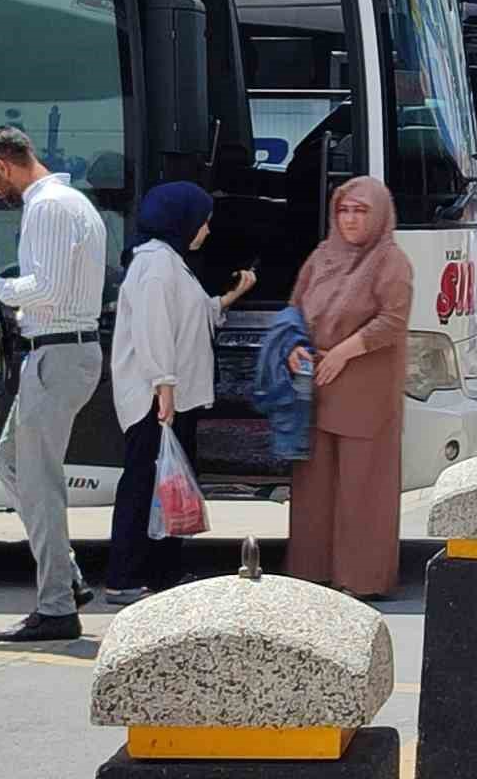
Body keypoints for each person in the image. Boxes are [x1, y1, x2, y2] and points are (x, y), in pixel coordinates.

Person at [0, 127, 107, 643]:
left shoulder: (45, 208)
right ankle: (64, 578)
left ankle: (56, 607)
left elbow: (42, 287)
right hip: (65, 352)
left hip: (57, 354)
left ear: (4, 165)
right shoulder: (75, 204)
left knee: (41, 486)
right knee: (10, 463)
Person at [105, 183, 256, 603]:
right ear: (180, 219)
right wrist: (163, 387)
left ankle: (160, 570)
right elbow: (153, 330)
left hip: (172, 395)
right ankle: (125, 576)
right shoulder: (155, 265)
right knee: (143, 484)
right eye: (202, 220)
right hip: (155, 399)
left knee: (165, 484)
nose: (206, 230)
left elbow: (187, 316)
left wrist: (228, 299)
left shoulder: (170, 262)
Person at [287, 178, 414, 598]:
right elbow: (295, 310)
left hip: (366, 390)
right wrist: (293, 348)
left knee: (363, 485)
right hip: (318, 386)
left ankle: (362, 578)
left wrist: (344, 352)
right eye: (344, 210)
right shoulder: (322, 256)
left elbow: (392, 321)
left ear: (378, 215)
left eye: (361, 211)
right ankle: (313, 574)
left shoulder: (390, 261)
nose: (351, 220)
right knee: (313, 487)